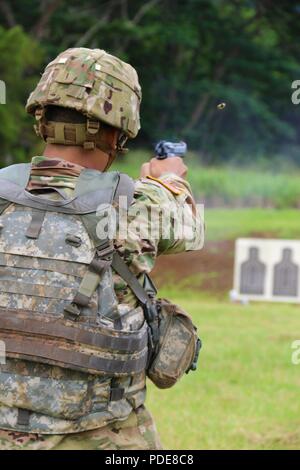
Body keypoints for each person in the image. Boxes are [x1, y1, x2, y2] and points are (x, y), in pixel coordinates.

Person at [0, 48, 204, 450]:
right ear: (118, 132)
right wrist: (169, 180)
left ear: (42, 117)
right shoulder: (133, 205)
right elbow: (189, 228)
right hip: (101, 435)